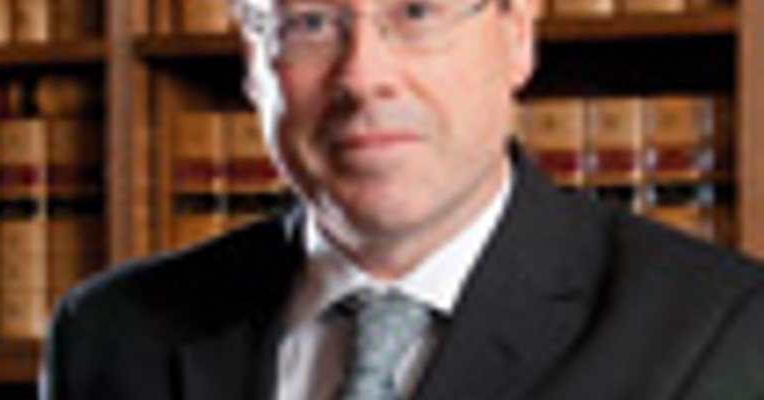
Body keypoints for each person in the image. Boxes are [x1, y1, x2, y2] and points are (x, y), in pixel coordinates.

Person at [40, 0, 764, 398]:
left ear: (517, 36)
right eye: (310, 23)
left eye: (417, 12)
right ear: (255, 67)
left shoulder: (718, 331)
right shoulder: (110, 339)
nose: (364, 76)